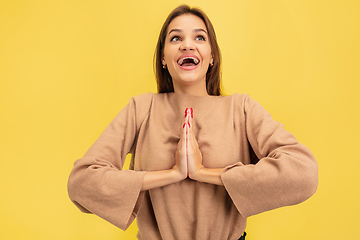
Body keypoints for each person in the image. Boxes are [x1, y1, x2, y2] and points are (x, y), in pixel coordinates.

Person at [67, 5, 318, 240]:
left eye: (199, 38)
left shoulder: (241, 109)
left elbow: (303, 173)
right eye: (176, 38)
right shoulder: (141, 108)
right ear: (164, 58)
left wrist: (204, 173)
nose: (187, 45)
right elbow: (81, 183)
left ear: (212, 57)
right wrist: (172, 174)